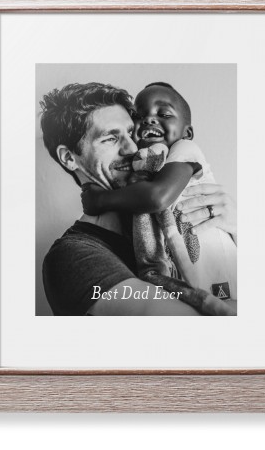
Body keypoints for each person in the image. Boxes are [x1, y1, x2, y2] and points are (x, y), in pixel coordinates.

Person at [40, 82, 237, 316]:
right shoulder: (73, 257)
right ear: (68, 157)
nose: (133, 147)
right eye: (110, 139)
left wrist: (237, 231)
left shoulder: (167, 218)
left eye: (131, 132)